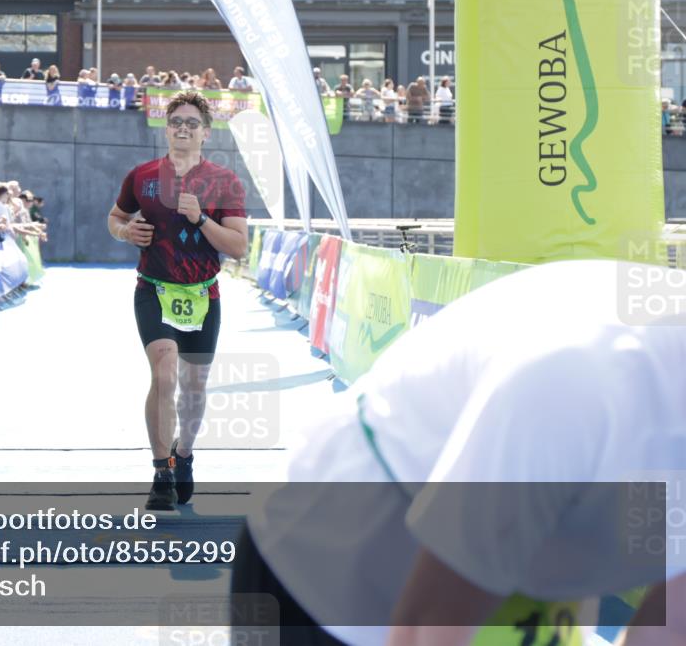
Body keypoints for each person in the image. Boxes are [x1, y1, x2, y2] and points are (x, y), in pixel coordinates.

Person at [233, 259, 686, 646]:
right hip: (337, 567)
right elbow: (425, 626)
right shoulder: (580, 382)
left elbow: (671, 625)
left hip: (524, 565)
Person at [107, 90, 248, 511]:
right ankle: (161, 472)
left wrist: (201, 218)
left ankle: (184, 452)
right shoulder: (142, 175)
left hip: (203, 294)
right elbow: (115, 217)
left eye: (191, 123)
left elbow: (239, 247)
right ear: (166, 129)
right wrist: (125, 232)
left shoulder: (225, 182)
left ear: (206, 133)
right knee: (165, 374)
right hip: (154, 288)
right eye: (176, 122)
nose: (183, 129)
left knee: (193, 386)